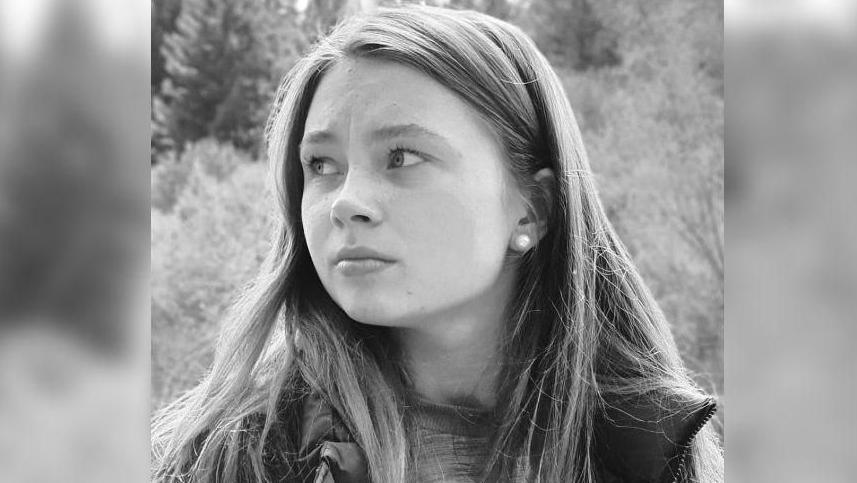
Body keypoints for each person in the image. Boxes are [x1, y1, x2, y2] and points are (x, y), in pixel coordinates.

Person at [152, 5, 724, 482]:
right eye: (321, 164)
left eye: (402, 156)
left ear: (534, 208)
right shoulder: (228, 457)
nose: (345, 201)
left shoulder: (647, 450)